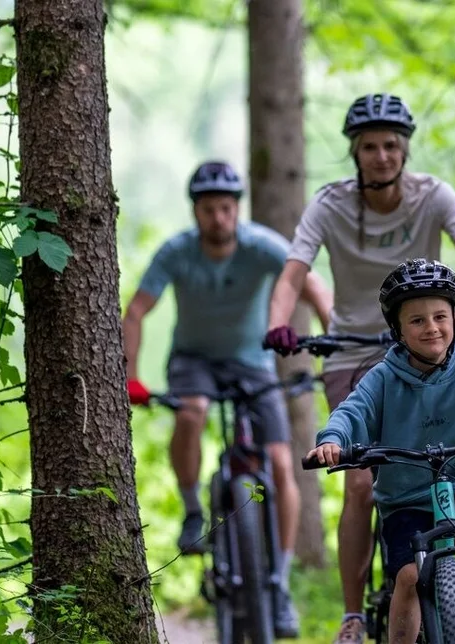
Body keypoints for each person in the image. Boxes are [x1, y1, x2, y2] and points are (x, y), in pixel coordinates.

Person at [259, 92, 455, 644]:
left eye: (391, 145)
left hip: (421, 334)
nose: (381, 155)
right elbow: (293, 271)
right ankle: (353, 613)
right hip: (354, 350)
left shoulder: (433, 196)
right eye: (370, 146)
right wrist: (279, 324)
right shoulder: (330, 204)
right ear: (355, 153)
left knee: (453, 451)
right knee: (359, 483)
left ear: (404, 150)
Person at [122, 160, 333, 637]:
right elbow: (136, 311)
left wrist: (331, 354)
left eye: (225, 208)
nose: (218, 218)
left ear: (237, 210)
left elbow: (312, 287)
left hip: (252, 363)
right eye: (208, 209)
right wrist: (130, 376)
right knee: (193, 412)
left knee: (282, 462)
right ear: (195, 213)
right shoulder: (177, 252)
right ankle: (193, 509)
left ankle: (277, 583)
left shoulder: (261, 246)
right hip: (193, 360)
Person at [305, 259, 455, 643]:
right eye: (417, 320)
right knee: (407, 577)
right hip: (405, 501)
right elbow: (351, 411)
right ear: (398, 330)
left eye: (440, 316)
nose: (432, 328)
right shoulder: (382, 379)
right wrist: (332, 441)